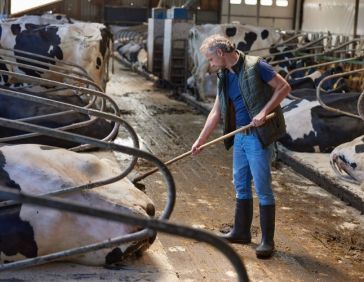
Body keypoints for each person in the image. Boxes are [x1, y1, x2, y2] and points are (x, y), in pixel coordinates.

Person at [191, 35, 290, 259]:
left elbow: (284, 87)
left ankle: (267, 240)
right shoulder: (224, 76)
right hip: (240, 137)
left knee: (263, 188)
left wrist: (264, 112)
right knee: (241, 184)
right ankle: (241, 232)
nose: (210, 64)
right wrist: (201, 140)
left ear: (220, 53)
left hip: (258, 135)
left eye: (210, 59)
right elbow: (216, 111)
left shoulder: (257, 66)